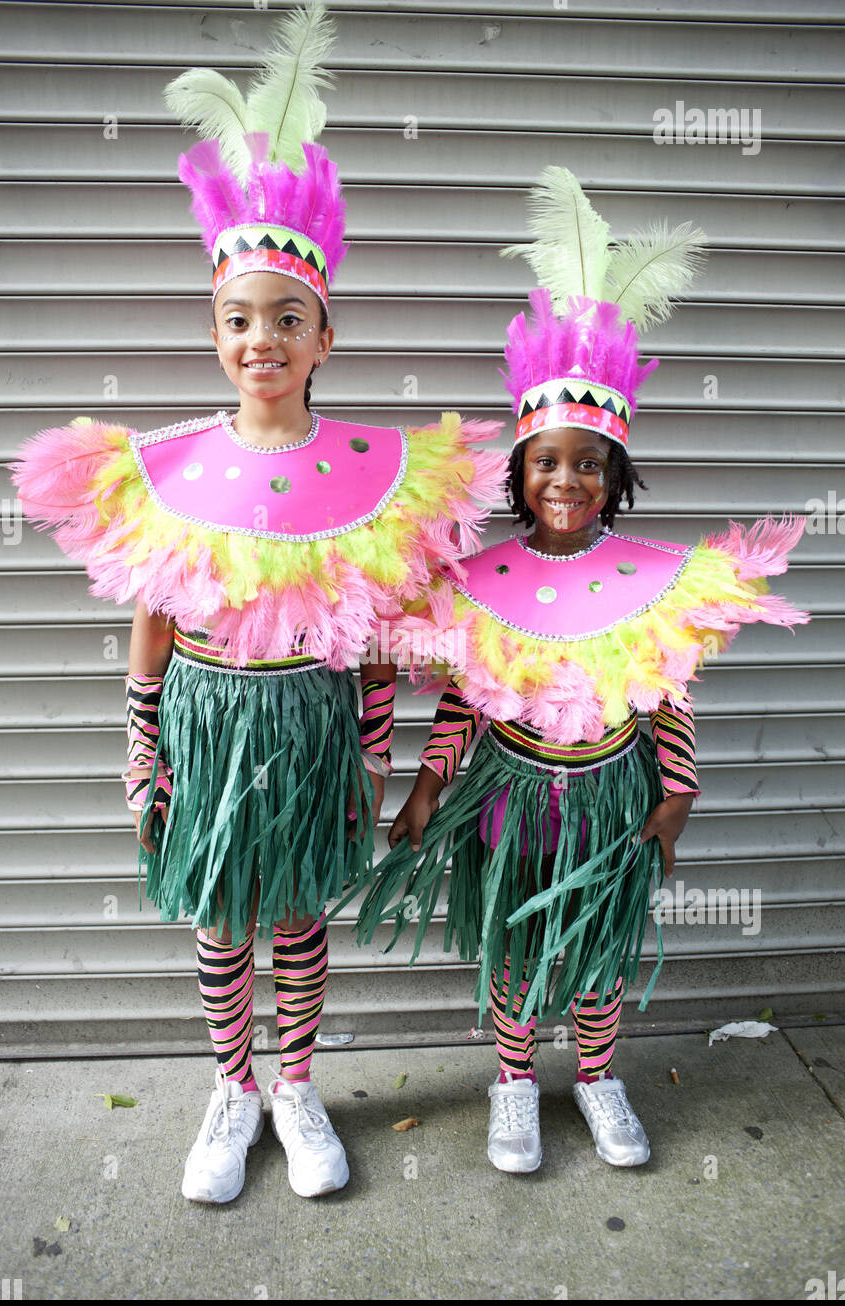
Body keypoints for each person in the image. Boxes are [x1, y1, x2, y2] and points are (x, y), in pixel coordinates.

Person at [9, 3, 503, 1205]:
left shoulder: (375, 478)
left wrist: (371, 762)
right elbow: (153, 617)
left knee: (297, 918)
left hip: (310, 726)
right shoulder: (167, 469)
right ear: (215, 331)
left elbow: (379, 640)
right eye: (240, 319)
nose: (262, 339)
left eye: (287, 318)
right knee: (221, 914)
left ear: (326, 333)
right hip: (206, 722)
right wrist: (144, 756)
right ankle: (229, 1085)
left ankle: (296, 1080)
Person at [338, 168, 809, 1176]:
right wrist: (426, 781)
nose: (567, 480)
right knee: (513, 942)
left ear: (617, 475)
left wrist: (676, 792)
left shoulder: (651, 580)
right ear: (518, 468)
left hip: (609, 795)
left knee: (596, 948)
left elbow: (664, 685)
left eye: (589, 463)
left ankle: (595, 1074)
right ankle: (514, 1081)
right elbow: (469, 689)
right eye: (547, 461)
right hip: (509, 795)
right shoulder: (479, 582)